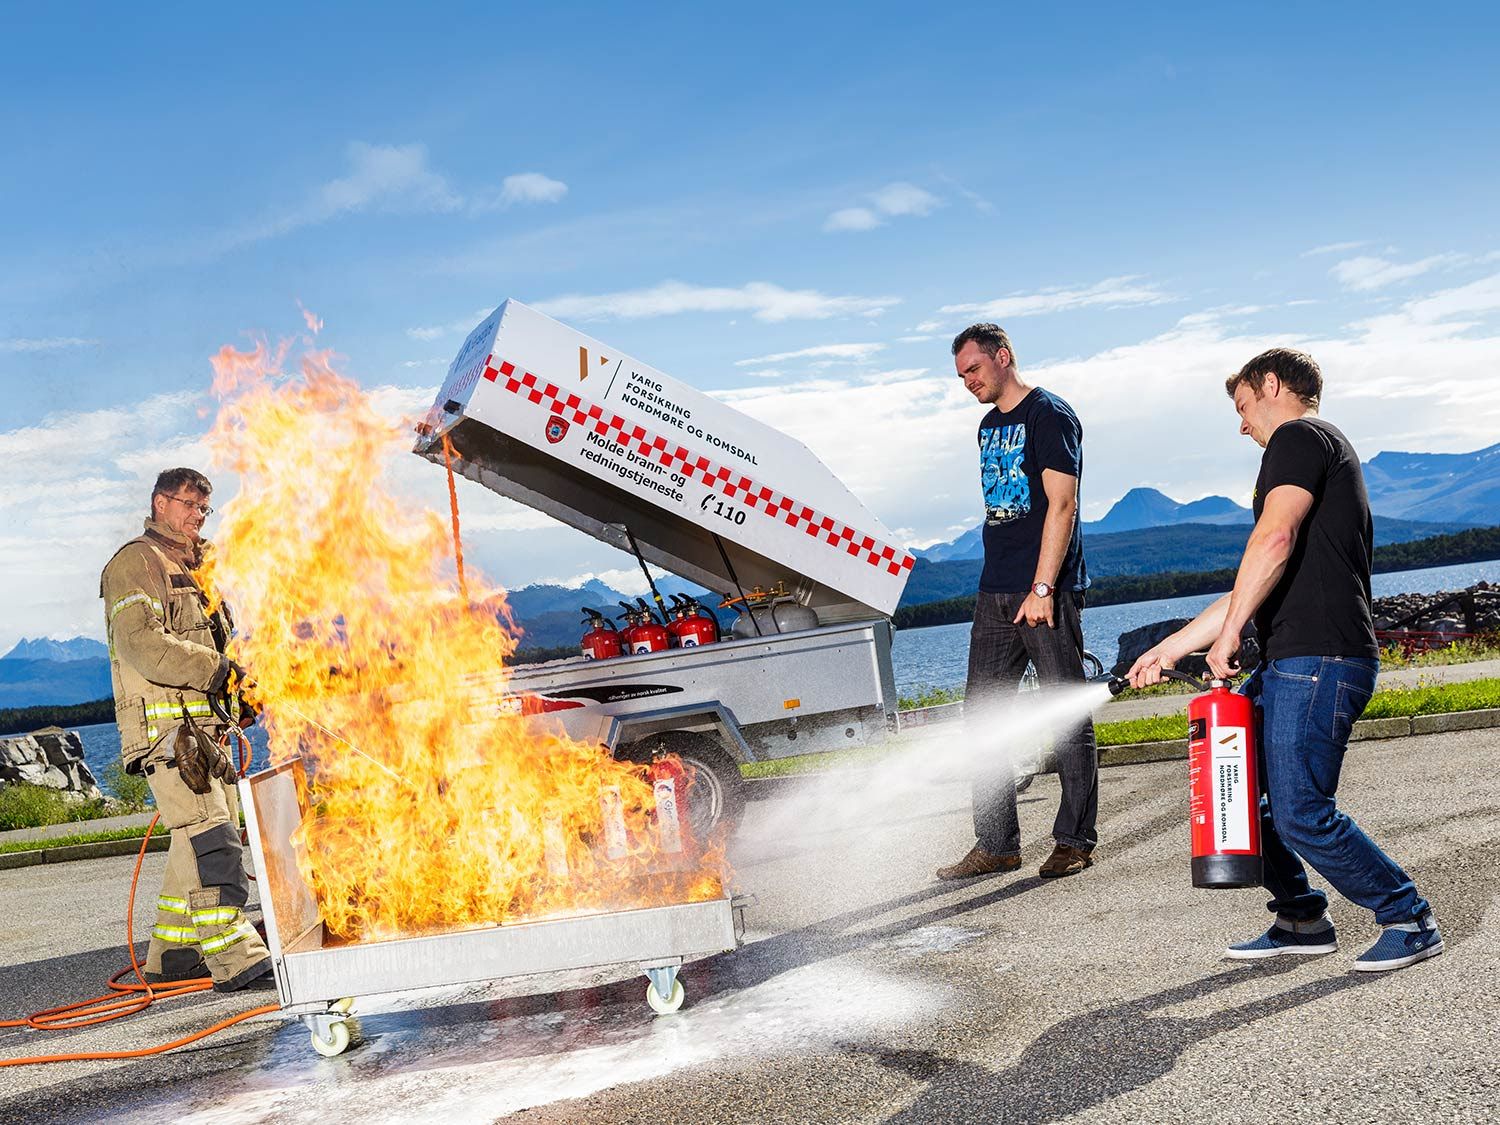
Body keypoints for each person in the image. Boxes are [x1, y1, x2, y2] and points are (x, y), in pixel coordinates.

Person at [1128, 348, 1442, 971]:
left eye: (1243, 406)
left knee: (1302, 813)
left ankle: (1408, 916)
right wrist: (1172, 646)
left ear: (1273, 384)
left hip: (1321, 658)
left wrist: (1231, 636)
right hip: (1288, 662)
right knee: (1238, 796)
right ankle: (1300, 917)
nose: (1241, 425)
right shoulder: (1310, 451)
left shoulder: (1300, 436)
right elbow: (1260, 572)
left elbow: (1273, 539)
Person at [99, 468, 274, 991]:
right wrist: (219, 673)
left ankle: (174, 954)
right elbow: (143, 646)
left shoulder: (199, 568)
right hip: (168, 735)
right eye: (190, 505)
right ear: (160, 503)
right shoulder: (136, 563)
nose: (199, 516)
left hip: (205, 731)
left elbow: (221, 645)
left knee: (192, 841)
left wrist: (238, 690)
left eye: (204, 508)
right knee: (213, 842)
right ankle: (237, 959)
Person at [937, 324, 1098, 881]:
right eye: (961, 376)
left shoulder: (1048, 414)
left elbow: (1062, 504)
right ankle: (997, 844)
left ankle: (1074, 840)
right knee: (981, 719)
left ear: (1003, 357)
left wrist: (1044, 587)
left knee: (1066, 715)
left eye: (974, 370)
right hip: (994, 592)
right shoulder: (987, 426)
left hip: (1044, 591)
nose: (968, 383)